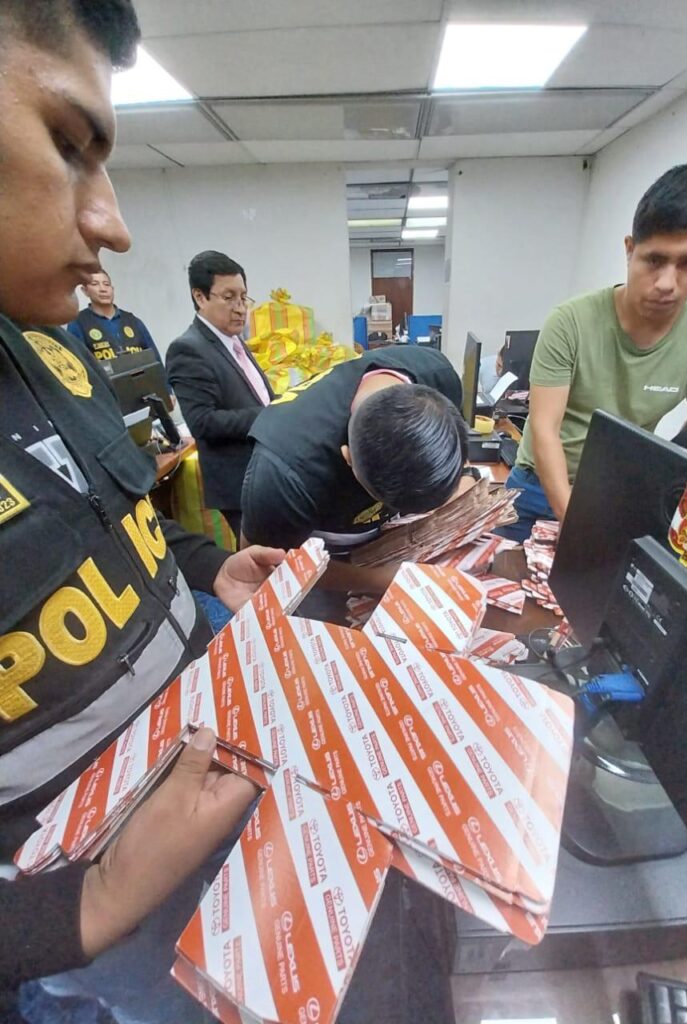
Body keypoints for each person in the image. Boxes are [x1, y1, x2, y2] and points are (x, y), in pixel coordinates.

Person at [0, 3, 285, 1021]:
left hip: (208, 776)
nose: (113, 224)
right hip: (95, 913)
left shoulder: (50, 347)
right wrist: (88, 905)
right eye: (67, 145)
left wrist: (207, 569)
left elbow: (116, 514)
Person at [507, 161, 687, 541]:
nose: (667, 283)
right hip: (535, 488)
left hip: (615, 493)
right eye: (654, 260)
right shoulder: (570, 322)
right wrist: (575, 523)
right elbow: (545, 428)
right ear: (630, 250)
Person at [240, 346, 468, 591]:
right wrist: (375, 581)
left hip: (388, 542)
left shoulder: (438, 374)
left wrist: (464, 477)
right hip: (323, 548)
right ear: (347, 457)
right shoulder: (281, 474)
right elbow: (263, 566)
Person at [166, 251, 274, 542]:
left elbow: (258, 397)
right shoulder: (188, 349)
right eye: (229, 297)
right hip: (239, 481)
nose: (240, 308)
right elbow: (203, 422)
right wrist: (269, 415)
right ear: (200, 297)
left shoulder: (235, 341)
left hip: (265, 472)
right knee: (261, 556)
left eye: (244, 298)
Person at [66, 268, 164, 365]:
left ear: (112, 289)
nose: (103, 289)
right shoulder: (78, 323)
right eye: (95, 284)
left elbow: (155, 360)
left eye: (106, 284)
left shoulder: (133, 321)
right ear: (85, 291)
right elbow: (77, 364)